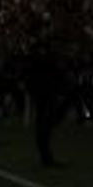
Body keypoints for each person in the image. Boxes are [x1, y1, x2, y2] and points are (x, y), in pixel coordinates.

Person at [23, 34, 70, 167]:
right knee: (45, 125)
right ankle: (46, 157)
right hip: (45, 93)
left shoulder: (42, 57)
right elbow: (55, 73)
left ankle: (46, 156)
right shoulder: (45, 58)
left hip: (45, 93)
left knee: (45, 125)